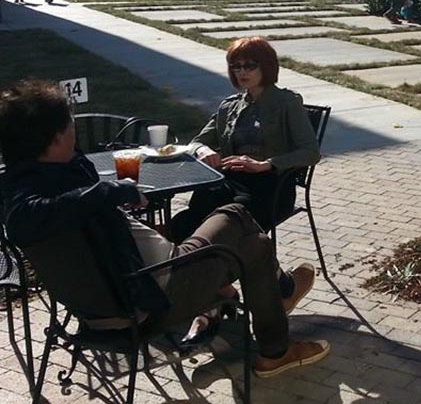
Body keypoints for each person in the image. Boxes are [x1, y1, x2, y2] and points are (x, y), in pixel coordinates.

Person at [0, 80, 330, 377]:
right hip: (156, 295)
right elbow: (24, 219)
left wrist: (104, 195)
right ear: (56, 135)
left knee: (248, 241)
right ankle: (278, 312)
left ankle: (264, 320)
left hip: (118, 295)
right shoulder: (33, 203)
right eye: (69, 121)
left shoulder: (30, 180)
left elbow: (56, 204)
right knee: (236, 216)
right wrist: (108, 191)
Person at [169, 36, 320, 244]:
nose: (242, 72)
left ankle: (220, 269)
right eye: (236, 66)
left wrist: (264, 165)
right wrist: (203, 151)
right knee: (187, 220)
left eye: (249, 65)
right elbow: (196, 142)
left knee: (226, 224)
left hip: (270, 186)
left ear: (266, 66)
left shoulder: (287, 103)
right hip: (231, 181)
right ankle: (191, 269)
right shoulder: (229, 106)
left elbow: (311, 152)